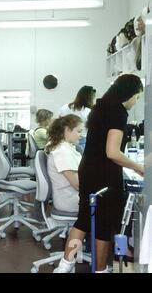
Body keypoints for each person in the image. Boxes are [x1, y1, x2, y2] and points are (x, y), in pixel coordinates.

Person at [54, 74, 144, 273]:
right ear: (129, 94)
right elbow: (112, 152)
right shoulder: (118, 111)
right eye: (137, 97)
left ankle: (64, 266)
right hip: (104, 174)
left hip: (88, 169)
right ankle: (101, 270)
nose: (135, 101)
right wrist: (138, 167)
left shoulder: (100, 107)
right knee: (103, 224)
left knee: (84, 218)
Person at [45, 115, 83, 213]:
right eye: (79, 131)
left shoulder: (66, 148)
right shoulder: (62, 151)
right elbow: (78, 185)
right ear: (67, 130)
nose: (81, 135)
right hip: (69, 200)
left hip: (71, 196)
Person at [59, 86, 96, 151]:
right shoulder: (88, 112)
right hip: (81, 140)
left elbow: (59, 123)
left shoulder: (64, 107)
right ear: (90, 98)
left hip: (64, 139)